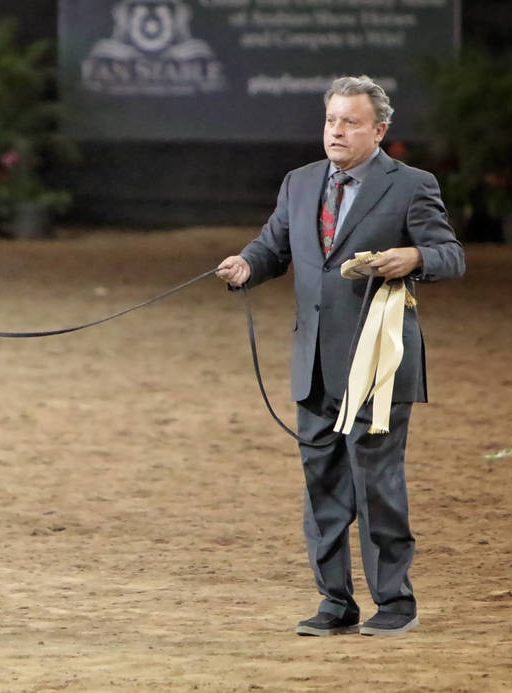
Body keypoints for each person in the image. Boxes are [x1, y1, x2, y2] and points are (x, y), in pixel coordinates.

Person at [217, 75, 465, 637]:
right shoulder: (299, 183)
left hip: (378, 362)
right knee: (322, 483)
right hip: (314, 362)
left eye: (351, 122)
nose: (337, 131)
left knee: (377, 482)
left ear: (378, 130)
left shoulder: (411, 185)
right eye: (331, 120)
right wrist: (246, 267)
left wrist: (415, 256)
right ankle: (335, 602)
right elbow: (272, 247)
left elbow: (451, 255)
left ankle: (395, 603)